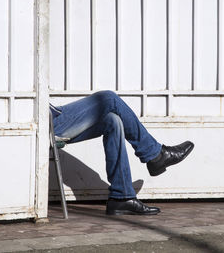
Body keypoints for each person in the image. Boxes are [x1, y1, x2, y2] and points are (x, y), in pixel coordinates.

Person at [50, 90, 194, 215]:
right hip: (50, 123)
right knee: (109, 98)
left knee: (113, 121)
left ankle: (122, 196)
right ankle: (156, 155)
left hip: (54, 114)